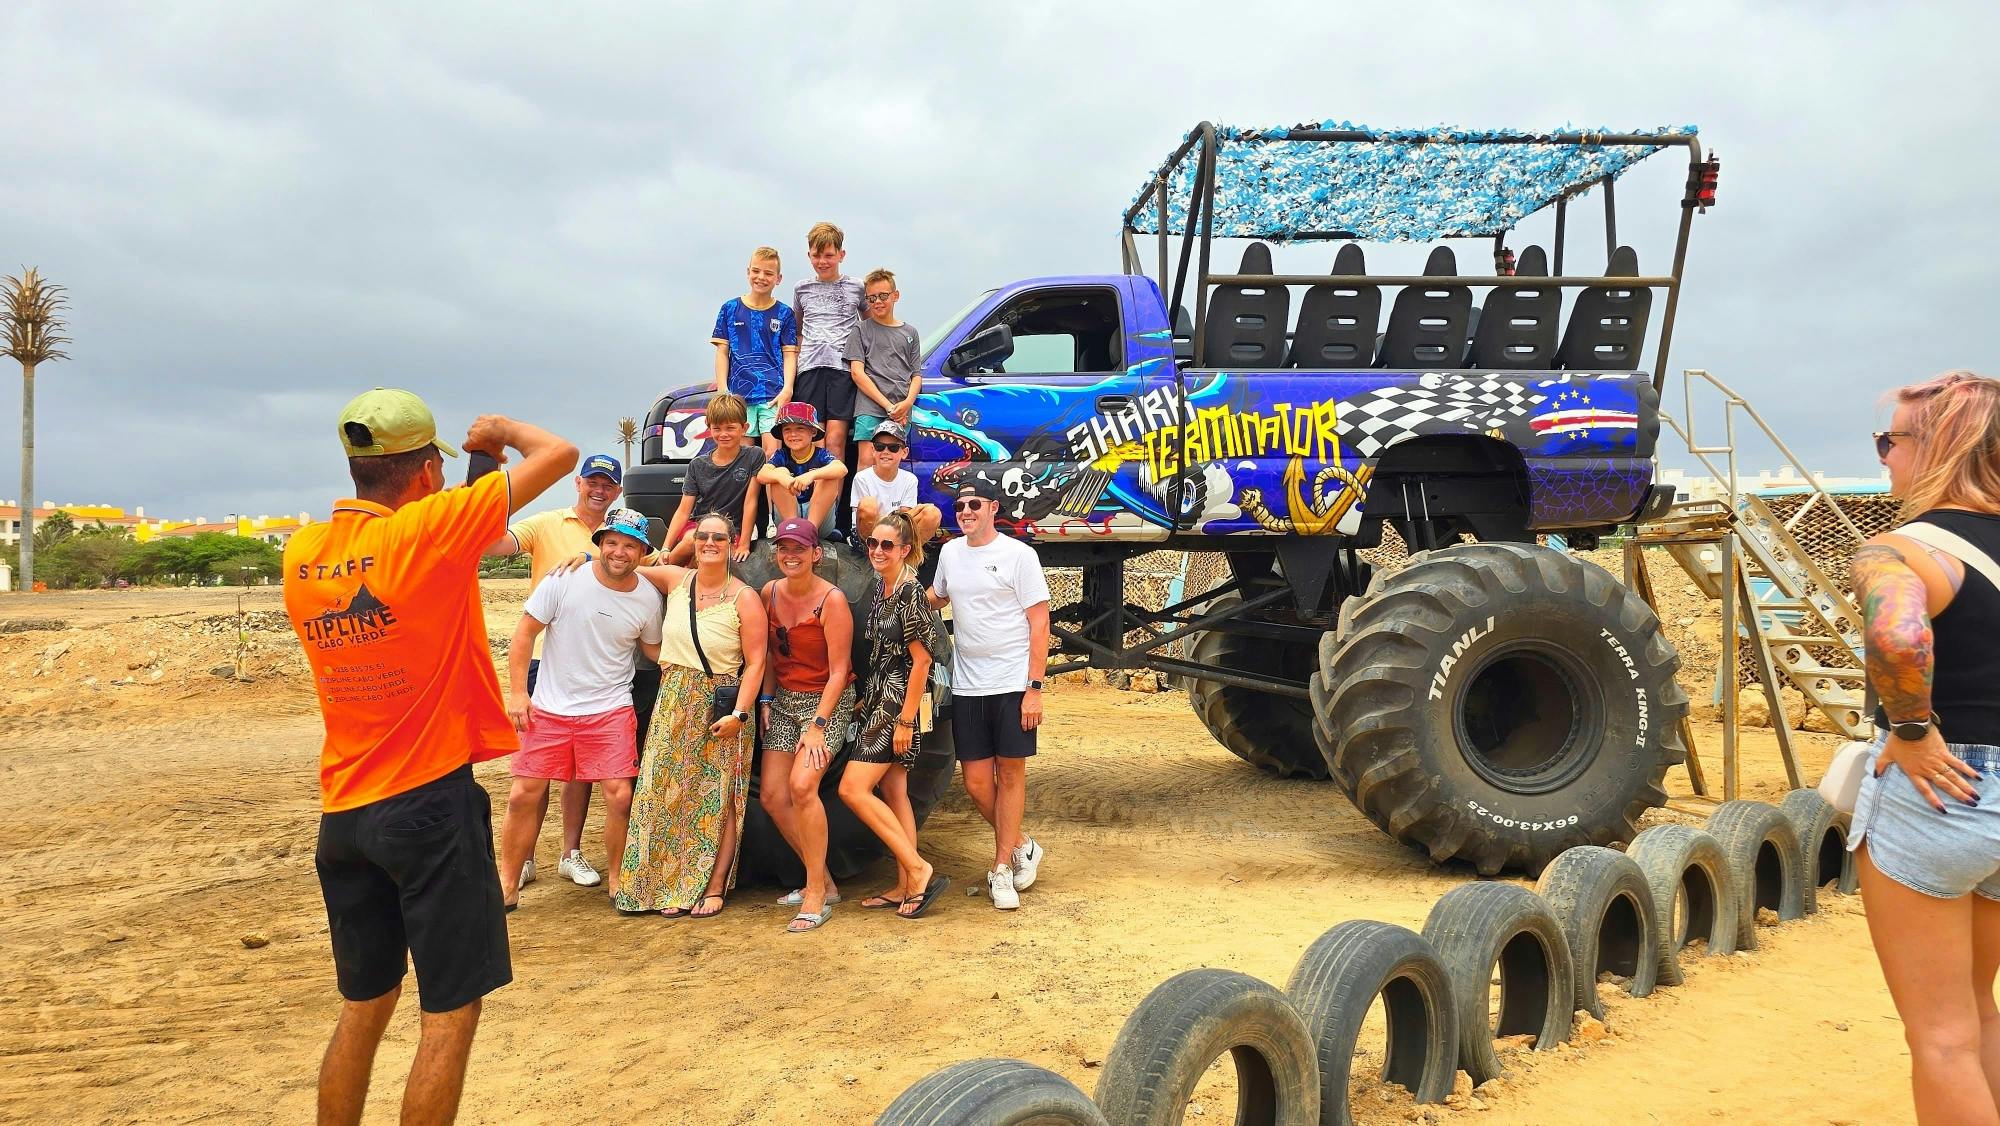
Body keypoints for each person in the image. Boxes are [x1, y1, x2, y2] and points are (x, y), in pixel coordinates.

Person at [284, 388, 575, 1125]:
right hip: (425, 804)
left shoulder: (304, 553)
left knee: (364, 1004)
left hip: (343, 813)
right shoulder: (429, 531)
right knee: (450, 1009)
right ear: (422, 472)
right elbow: (559, 456)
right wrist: (503, 429)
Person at [1847, 370, 2000, 1125]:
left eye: (1890, 441)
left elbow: (1897, 633)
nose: (1884, 458)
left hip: (1944, 789)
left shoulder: (1903, 549)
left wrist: (1911, 728)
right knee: (1982, 1009)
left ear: (1937, 448)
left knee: (1940, 1036)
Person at [483, 452, 649, 891]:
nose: (599, 488)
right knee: (526, 788)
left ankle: (579, 858)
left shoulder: (642, 585)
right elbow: (521, 631)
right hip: (549, 676)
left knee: (599, 785)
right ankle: (515, 870)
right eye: (592, 481)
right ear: (579, 482)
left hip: (604, 695)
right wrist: (518, 693)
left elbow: (654, 630)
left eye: (608, 484)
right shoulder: (554, 549)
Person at [614, 512, 768, 919]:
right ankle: (659, 885)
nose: (710, 543)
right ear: (694, 541)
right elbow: (627, 565)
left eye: (719, 537)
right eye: (703, 537)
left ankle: (712, 885)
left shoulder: (744, 598)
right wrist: (581, 558)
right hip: (673, 698)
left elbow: (755, 664)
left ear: (733, 544)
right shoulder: (675, 580)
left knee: (717, 798)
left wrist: (740, 712)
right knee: (660, 792)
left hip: (720, 702)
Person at [927, 477, 1051, 911]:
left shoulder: (1020, 556)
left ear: (993, 508)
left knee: (1010, 774)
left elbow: (1040, 623)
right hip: (968, 683)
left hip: (1012, 683)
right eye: (959, 506)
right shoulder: (949, 553)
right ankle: (1020, 844)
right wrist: (895, 595)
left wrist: (1034, 689)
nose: (965, 512)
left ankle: (1001, 869)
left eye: (974, 504)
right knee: (978, 783)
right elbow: (936, 599)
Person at [841, 509, 950, 919]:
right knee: (893, 790)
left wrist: (905, 721)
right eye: (873, 543)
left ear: (905, 550)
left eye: (888, 545)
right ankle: (906, 881)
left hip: (897, 703)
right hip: (878, 698)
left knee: (852, 789)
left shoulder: (909, 594)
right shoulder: (882, 589)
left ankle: (919, 870)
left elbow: (920, 663)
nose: (878, 551)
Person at [757, 516, 856, 932]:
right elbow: (766, 655)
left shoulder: (831, 601)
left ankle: (814, 890)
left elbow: (839, 671)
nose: (790, 555)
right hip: (782, 703)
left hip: (826, 704)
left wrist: (817, 724)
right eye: (784, 548)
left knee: (802, 787)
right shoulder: (769, 592)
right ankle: (825, 881)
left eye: (799, 548)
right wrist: (764, 699)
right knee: (773, 796)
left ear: (816, 554)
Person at [711, 246, 800, 456]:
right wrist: (723, 389)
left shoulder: (785, 313)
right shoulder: (730, 309)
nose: (761, 277)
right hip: (739, 395)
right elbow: (722, 352)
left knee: (772, 453)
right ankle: (744, 491)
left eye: (768, 273)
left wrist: (787, 388)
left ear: (778, 278)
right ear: (748, 272)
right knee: (740, 454)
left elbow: (789, 354)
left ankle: (770, 489)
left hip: (772, 393)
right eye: (756, 271)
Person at [792, 221, 865, 463]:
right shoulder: (801, 288)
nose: (822, 261)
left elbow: (870, 326)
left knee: (834, 440)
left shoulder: (856, 287)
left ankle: (832, 502)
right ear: (809, 255)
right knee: (814, 440)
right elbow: (798, 332)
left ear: (841, 255)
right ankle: (811, 500)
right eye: (816, 255)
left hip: (842, 370)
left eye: (829, 255)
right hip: (809, 370)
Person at [664, 393, 764, 564]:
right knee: (692, 540)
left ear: (744, 428)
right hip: (699, 525)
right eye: (717, 428)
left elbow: (750, 501)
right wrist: (666, 546)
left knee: (718, 551)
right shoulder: (697, 465)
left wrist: (744, 544)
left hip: (732, 530)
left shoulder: (754, 456)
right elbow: (683, 510)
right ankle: (664, 569)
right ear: (708, 428)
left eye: (730, 428)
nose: (723, 434)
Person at [851, 268, 922, 472]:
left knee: (892, 463)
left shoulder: (910, 333)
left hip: (901, 409)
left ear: (895, 296)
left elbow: (916, 375)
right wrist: (888, 407)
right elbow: (857, 373)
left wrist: (906, 404)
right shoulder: (861, 329)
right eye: (871, 298)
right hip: (870, 407)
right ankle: (861, 506)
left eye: (883, 296)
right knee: (867, 460)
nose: (878, 302)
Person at [758, 402, 848, 538]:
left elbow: (842, 469)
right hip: (787, 520)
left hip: (818, 521)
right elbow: (762, 474)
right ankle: (794, 531)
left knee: (827, 474)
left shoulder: (821, 454)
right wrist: (784, 478)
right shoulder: (781, 455)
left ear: (813, 431)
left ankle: (809, 532)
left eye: (800, 428)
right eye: (787, 429)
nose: (793, 434)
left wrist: (811, 475)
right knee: (778, 472)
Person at [850, 420, 941, 546]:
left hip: (897, 533)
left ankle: (907, 558)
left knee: (932, 513)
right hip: (867, 538)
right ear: (873, 450)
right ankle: (871, 553)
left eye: (893, 447)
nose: (885, 451)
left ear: (904, 452)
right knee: (868, 505)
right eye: (879, 446)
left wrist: (901, 516)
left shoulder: (910, 479)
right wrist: (904, 513)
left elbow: (904, 519)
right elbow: (866, 517)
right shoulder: (862, 478)